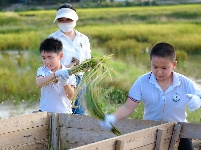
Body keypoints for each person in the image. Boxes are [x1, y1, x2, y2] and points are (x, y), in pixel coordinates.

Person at [99, 42, 201, 150]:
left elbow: (199, 96)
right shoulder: (142, 82)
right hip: (150, 131)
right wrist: (113, 118)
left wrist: (197, 100)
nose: (159, 72)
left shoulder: (184, 82)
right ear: (150, 63)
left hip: (179, 131)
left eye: (164, 68)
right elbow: (128, 107)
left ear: (174, 65)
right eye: (155, 67)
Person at [49, 3, 91, 115]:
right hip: (61, 79)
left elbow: (88, 60)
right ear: (57, 21)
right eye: (61, 20)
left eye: (68, 20)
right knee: (60, 113)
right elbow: (49, 63)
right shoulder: (53, 38)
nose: (65, 23)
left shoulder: (83, 39)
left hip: (80, 80)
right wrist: (68, 67)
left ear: (75, 19)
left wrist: (86, 66)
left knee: (80, 113)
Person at [36, 37, 76, 114]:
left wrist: (65, 84)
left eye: (50, 57)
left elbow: (71, 97)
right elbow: (39, 83)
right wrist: (56, 74)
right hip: (45, 113)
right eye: (44, 58)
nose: (47, 61)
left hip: (64, 114)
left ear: (60, 56)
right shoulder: (42, 70)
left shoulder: (69, 73)